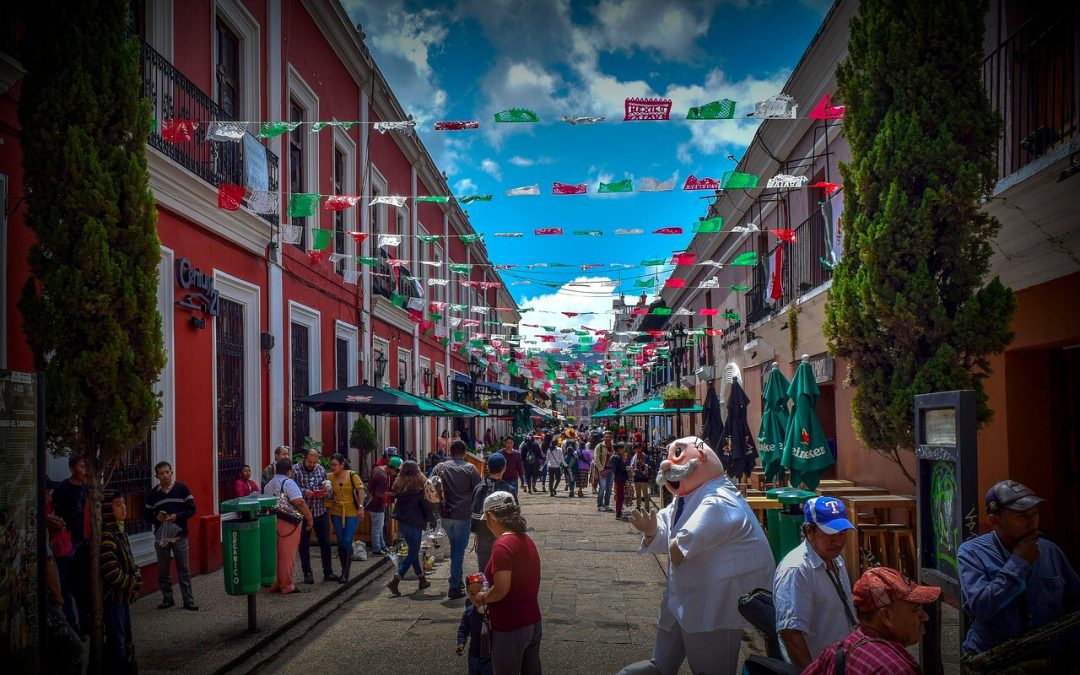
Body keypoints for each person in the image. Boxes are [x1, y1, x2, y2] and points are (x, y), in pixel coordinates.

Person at [624, 437, 774, 675]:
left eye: (678, 454)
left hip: (711, 606)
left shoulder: (719, 500)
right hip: (681, 599)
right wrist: (652, 530)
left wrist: (664, 537)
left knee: (711, 670)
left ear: (701, 458)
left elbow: (681, 547)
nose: (665, 465)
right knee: (660, 665)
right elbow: (667, 522)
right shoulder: (688, 496)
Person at [958, 480, 1080, 664]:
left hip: (1047, 661)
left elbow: (1075, 603)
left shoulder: (1049, 551)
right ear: (995, 521)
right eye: (1022, 516)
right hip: (994, 661)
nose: (1032, 522)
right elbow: (981, 607)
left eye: (1035, 513)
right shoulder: (972, 553)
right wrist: (1019, 563)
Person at [803, 567, 940, 675]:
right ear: (886, 616)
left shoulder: (835, 652)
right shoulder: (895, 669)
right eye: (916, 610)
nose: (925, 617)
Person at [772, 497, 858, 668]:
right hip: (821, 667)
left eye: (842, 533)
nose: (838, 541)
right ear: (809, 530)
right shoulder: (796, 570)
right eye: (829, 534)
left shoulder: (836, 560)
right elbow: (791, 634)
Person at [473, 491, 542, 675]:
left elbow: (502, 589)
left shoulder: (502, 545)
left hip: (510, 624)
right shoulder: (525, 539)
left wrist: (483, 597)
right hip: (533, 620)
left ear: (490, 516)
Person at [144, 460, 198, 611]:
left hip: (180, 535)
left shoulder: (182, 488)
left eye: (167, 472)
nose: (164, 476)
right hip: (161, 537)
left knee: (184, 569)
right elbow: (146, 516)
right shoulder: (152, 494)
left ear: (171, 472)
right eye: (161, 473)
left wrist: (177, 516)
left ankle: (189, 601)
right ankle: (168, 599)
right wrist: (157, 518)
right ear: (156, 476)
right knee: (163, 570)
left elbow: (192, 509)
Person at [433, 439, 482, 600]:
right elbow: (479, 491)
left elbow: (428, 484)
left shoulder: (440, 467)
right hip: (463, 515)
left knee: (455, 550)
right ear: (465, 452)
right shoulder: (470, 468)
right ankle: (454, 585)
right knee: (458, 551)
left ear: (450, 452)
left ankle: (458, 581)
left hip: (445, 514)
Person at [100, 490, 142, 673]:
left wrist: (136, 577)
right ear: (108, 510)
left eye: (124, 503)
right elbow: (112, 573)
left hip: (123, 597)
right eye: (118, 505)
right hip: (114, 599)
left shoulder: (120, 533)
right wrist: (133, 582)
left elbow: (130, 563)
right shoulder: (107, 537)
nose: (124, 508)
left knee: (126, 638)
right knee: (117, 641)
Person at [262, 459, 313, 594]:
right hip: (288, 522)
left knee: (275, 554)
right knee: (287, 555)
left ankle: (275, 583)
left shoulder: (269, 484)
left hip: (271, 520)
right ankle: (286, 584)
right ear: (289, 471)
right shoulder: (288, 482)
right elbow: (299, 502)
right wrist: (309, 518)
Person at [386, 460, 436, 595]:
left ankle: (422, 579)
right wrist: (432, 519)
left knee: (413, 551)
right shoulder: (420, 487)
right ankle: (395, 580)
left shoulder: (399, 486)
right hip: (415, 522)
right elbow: (426, 506)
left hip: (403, 523)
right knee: (413, 552)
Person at [52, 455, 88, 632]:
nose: (85, 470)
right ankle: (72, 623)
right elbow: (55, 514)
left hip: (85, 542)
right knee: (66, 585)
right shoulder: (62, 489)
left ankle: (85, 623)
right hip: (68, 543)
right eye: (82, 466)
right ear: (72, 469)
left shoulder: (88, 488)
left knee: (84, 585)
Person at [293, 449, 337, 584]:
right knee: (304, 544)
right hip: (303, 514)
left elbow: (328, 488)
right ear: (303, 458)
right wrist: (304, 492)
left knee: (325, 543)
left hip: (319, 511)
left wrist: (326, 493)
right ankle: (307, 573)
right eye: (309, 462)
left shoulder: (321, 470)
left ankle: (328, 572)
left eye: (314, 462)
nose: (312, 465)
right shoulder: (294, 470)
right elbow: (290, 487)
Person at [472, 453, 517, 572]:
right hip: (504, 536)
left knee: (484, 570)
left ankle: (486, 590)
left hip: (483, 535)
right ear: (504, 468)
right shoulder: (508, 489)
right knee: (502, 570)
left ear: (488, 467)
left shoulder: (479, 487)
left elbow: (473, 511)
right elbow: (515, 515)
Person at [326, 453, 364, 583]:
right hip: (336, 511)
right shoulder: (329, 477)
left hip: (352, 511)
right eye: (331, 465)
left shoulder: (352, 475)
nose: (332, 467)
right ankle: (343, 568)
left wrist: (360, 507)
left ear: (342, 465)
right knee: (341, 540)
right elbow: (327, 491)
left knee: (348, 539)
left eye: (335, 465)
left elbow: (360, 490)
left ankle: (345, 573)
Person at [457, 573, 494, 675]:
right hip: (474, 655)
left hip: (492, 657)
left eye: (479, 592)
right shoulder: (469, 612)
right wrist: (461, 643)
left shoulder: (494, 610)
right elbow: (463, 630)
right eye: (471, 594)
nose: (476, 596)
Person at [366, 457, 397, 555]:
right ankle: (376, 549)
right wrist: (393, 494)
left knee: (379, 526)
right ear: (392, 468)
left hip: (371, 503)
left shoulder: (377, 469)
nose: (396, 473)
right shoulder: (383, 476)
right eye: (396, 470)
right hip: (377, 504)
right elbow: (379, 493)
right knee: (377, 528)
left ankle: (382, 546)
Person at [594, 430, 615, 511]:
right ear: (604, 437)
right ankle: (600, 505)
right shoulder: (599, 446)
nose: (608, 438)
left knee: (609, 488)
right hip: (603, 470)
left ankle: (607, 504)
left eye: (609, 437)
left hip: (611, 470)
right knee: (602, 487)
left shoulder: (613, 447)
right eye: (606, 437)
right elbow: (596, 459)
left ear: (612, 438)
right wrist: (601, 470)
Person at [610, 443, 630, 521]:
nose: (623, 450)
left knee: (619, 496)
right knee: (620, 496)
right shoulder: (617, 457)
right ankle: (618, 514)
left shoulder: (614, 457)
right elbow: (622, 468)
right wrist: (624, 461)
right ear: (619, 449)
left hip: (618, 477)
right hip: (620, 478)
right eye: (622, 449)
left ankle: (619, 512)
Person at [630, 444, 652, 511]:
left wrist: (643, 464)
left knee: (645, 495)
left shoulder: (646, 457)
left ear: (641, 448)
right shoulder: (634, 457)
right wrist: (634, 470)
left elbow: (649, 467)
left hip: (644, 478)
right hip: (637, 478)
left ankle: (647, 508)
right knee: (638, 495)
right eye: (636, 448)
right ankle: (638, 507)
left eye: (639, 448)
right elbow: (632, 466)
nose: (638, 450)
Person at [561, 432, 578, 498]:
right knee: (573, 478)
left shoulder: (564, 442)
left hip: (566, 459)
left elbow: (562, 450)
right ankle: (572, 490)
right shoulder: (576, 442)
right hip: (573, 460)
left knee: (567, 475)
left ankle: (567, 483)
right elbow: (577, 451)